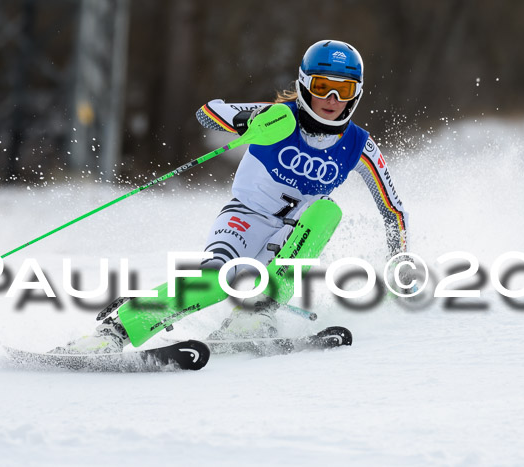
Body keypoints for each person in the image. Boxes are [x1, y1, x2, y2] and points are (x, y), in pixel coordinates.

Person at [54, 39, 410, 354]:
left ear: (356, 93)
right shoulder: (279, 119)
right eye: (322, 86)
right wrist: (247, 120)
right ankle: (114, 332)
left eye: (343, 90)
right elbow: (207, 112)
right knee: (212, 283)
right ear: (304, 85)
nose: (331, 99)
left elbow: (392, 209)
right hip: (245, 217)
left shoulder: (359, 147)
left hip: (293, 235)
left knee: (326, 210)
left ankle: (256, 314)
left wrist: (399, 261)